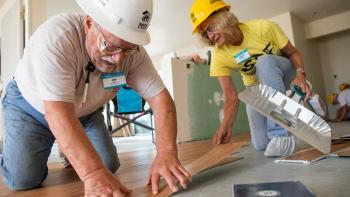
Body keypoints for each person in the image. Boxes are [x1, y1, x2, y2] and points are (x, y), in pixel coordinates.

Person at [0, 0, 191, 196]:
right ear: (90, 24)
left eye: (127, 49)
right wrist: (92, 173)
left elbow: (162, 101)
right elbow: (57, 112)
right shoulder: (56, 38)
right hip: (30, 109)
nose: (119, 59)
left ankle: (69, 148)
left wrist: (167, 153)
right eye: (111, 46)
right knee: (22, 179)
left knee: (108, 165)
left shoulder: (133, 53)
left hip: (84, 113)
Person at [189, 0, 311, 157]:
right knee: (261, 144)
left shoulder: (263, 28)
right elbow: (231, 97)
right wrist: (225, 126)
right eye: (206, 33)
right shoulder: (219, 56)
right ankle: (287, 120)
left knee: (264, 62)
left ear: (223, 17)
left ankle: (282, 134)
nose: (210, 36)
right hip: (256, 87)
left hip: (286, 74)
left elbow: (293, 53)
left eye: (211, 28)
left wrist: (300, 75)